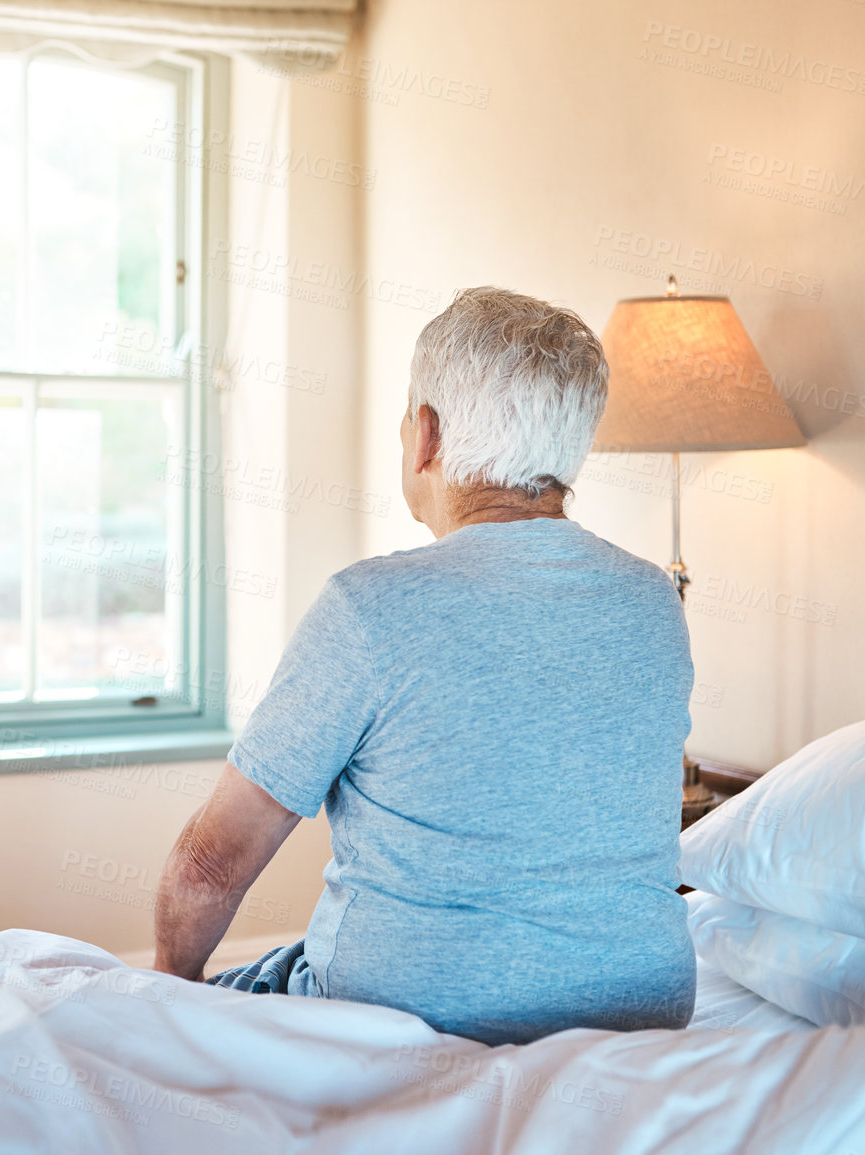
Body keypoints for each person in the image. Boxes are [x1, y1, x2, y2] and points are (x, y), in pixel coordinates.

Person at [150, 286, 696, 1045]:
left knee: (247, 984)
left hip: (403, 1015)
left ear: (425, 436)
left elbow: (209, 864)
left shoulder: (367, 607)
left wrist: (166, 993)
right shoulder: (653, 602)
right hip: (640, 1009)